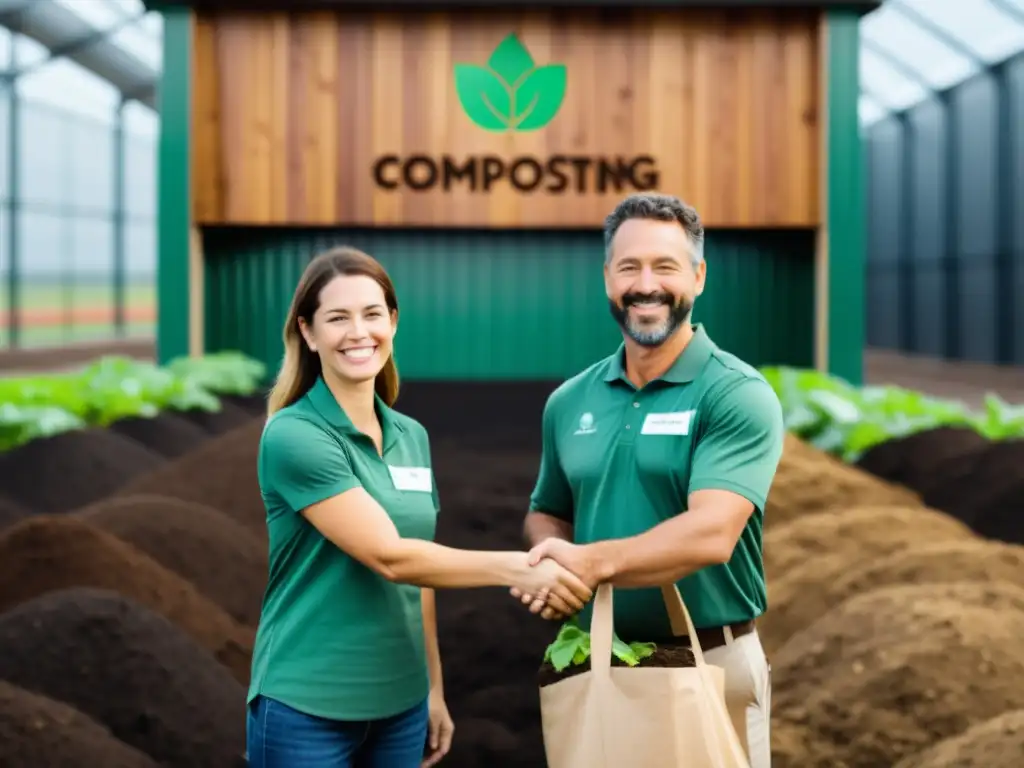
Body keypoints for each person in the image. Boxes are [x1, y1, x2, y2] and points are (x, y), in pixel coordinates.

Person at [246, 246, 593, 768]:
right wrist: (519, 568)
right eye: (337, 318)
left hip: (400, 707)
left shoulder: (410, 436)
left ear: (393, 321)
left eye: (372, 314)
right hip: (307, 706)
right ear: (309, 333)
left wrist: (432, 687)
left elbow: (419, 569)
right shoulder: (294, 436)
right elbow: (391, 557)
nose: (358, 332)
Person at [512, 193, 784, 768]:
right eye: (630, 267)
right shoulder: (570, 401)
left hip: (711, 662)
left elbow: (712, 533)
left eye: (665, 266)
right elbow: (547, 511)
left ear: (699, 276)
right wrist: (552, 559)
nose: (646, 284)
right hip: (601, 662)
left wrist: (591, 563)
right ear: (608, 277)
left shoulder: (735, 393)